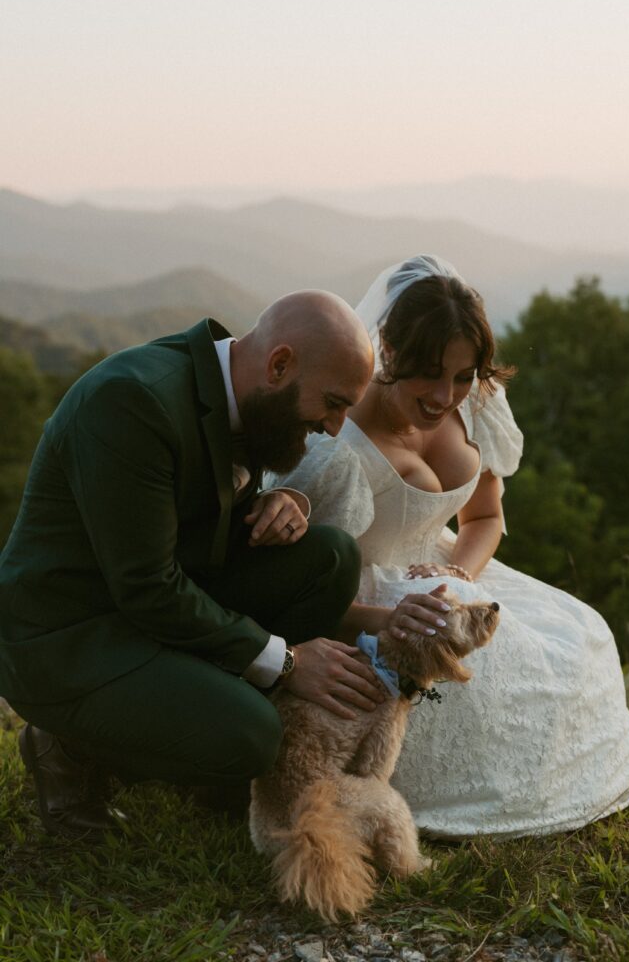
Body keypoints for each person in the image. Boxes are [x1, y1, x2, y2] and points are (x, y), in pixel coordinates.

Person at [277, 256, 629, 838]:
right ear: (388, 352)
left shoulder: (473, 402)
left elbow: (486, 514)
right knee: (457, 669)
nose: (446, 394)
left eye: (463, 375)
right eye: (429, 372)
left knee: (580, 643)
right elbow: (298, 584)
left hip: (454, 567)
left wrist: (459, 572)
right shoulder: (335, 447)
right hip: (369, 597)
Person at [0, 292, 380, 837]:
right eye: (334, 403)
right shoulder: (133, 400)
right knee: (251, 736)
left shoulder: (249, 397)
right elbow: (149, 586)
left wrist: (282, 506)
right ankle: (68, 745)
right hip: (70, 636)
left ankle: (205, 733)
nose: (337, 426)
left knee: (332, 559)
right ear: (279, 365)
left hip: (156, 607)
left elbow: (200, 518)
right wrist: (289, 661)